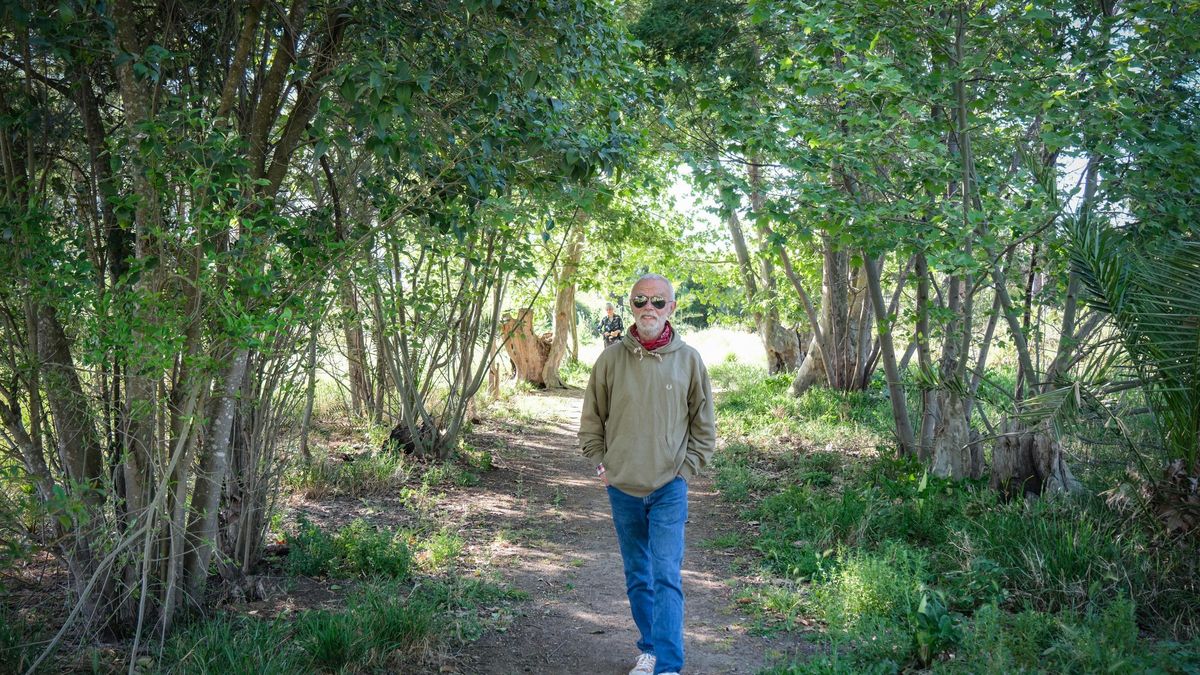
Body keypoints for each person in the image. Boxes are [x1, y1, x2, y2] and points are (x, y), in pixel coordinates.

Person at [578, 274, 716, 675]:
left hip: (669, 486)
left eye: (658, 302)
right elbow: (591, 422)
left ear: (672, 307)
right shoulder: (609, 360)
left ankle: (668, 664)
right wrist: (601, 463)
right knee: (638, 574)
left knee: (665, 573)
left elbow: (703, 427)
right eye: (640, 301)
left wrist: (685, 471)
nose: (648, 309)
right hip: (622, 487)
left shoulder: (689, 359)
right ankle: (650, 649)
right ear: (631, 307)